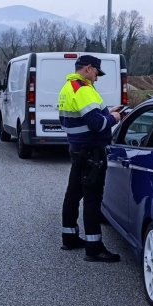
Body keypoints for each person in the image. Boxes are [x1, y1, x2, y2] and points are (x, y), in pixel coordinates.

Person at [57, 55, 123, 263]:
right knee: (92, 198)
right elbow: (97, 125)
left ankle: (69, 237)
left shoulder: (69, 87)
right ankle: (94, 248)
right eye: (96, 73)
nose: (97, 78)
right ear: (87, 68)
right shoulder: (83, 89)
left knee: (73, 194)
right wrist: (114, 117)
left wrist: (106, 112)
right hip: (91, 151)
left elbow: (82, 117)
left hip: (77, 148)